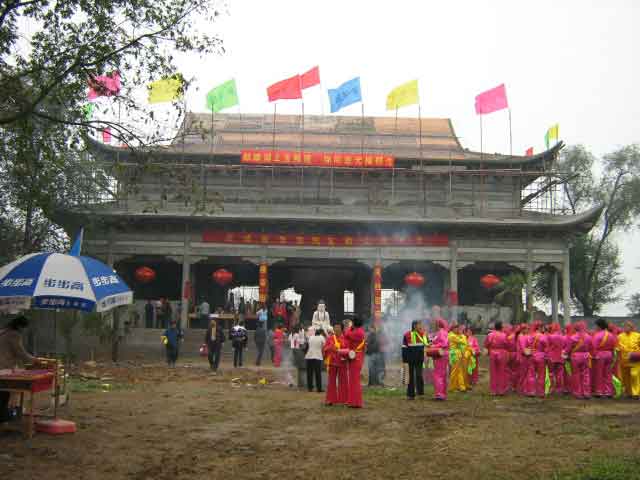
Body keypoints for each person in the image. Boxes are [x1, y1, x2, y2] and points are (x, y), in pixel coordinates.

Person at [0, 316, 40, 422]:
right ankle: (4, 418)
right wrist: (34, 360)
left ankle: (4, 416)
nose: (25, 330)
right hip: (3, 369)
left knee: (2, 393)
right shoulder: (14, 335)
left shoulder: (2, 332)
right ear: (20, 326)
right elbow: (20, 352)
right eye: (24, 327)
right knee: (4, 394)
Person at [564, 321, 592, 399]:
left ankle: (578, 393)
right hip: (586, 356)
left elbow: (568, 349)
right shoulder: (588, 337)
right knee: (586, 375)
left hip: (575, 357)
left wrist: (565, 353)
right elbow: (591, 347)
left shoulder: (573, 337)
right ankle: (586, 393)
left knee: (576, 375)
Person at [591, 317, 618, 398]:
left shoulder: (597, 335)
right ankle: (608, 391)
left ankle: (599, 391)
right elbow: (614, 346)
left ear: (599, 326)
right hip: (609, 354)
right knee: (608, 374)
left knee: (599, 374)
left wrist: (594, 356)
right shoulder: (611, 335)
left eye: (596, 326)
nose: (596, 327)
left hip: (600, 355)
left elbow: (594, 347)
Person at [402, 320, 428, 399]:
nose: (421, 326)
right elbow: (404, 348)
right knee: (411, 377)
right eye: (419, 324)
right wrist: (404, 360)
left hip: (419, 359)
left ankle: (420, 393)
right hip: (410, 359)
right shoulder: (407, 334)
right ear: (414, 326)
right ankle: (410, 394)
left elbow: (429, 343)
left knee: (419, 375)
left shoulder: (423, 334)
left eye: (421, 324)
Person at [344, 316, 366, 408]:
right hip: (355, 356)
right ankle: (353, 401)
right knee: (353, 380)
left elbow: (346, 334)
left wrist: (349, 328)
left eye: (352, 323)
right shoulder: (360, 331)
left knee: (354, 381)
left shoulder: (358, 332)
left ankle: (355, 402)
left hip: (356, 357)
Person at [324, 324, 348, 405]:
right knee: (331, 382)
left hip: (342, 362)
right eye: (335, 327)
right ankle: (331, 399)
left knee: (343, 381)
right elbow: (324, 349)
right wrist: (330, 347)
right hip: (332, 362)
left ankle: (344, 400)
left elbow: (348, 350)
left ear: (342, 329)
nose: (336, 329)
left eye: (338, 327)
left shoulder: (345, 338)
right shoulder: (330, 338)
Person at [484, 321, 509, 396]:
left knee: (493, 372)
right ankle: (501, 390)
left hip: (493, 353)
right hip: (502, 353)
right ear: (501, 327)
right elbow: (507, 344)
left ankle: (493, 390)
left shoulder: (490, 335)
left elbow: (486, 344)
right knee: (501, 372)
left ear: (494, 327)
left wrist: (488, 350)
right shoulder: (504, 335)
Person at [617, 320, 640, 399]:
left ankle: (636, 393)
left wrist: (636, 353)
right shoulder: (620, 336)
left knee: (634, 375)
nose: (626, 328)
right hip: (624, 360)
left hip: (635, 359)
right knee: (626, 378)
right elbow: (618, 348)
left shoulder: (637, 335)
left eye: (628, 326)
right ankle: (629, 393)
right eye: (625, 326)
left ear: (632, 327)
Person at [527, 322, 549, 398]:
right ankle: (540, 392)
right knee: (541, 375)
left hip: (532, 356)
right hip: (541, 357)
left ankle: (531, 391)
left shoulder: (530, 336)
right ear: (539, 327)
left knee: (531, 374)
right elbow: (546, 348)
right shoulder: (543, 336)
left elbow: (528, 345)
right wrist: (547, 357)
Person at [431, 318, 450, 400]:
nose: (432, 325)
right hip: (443, 354)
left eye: (434, 323)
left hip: (440, 355)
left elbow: (444, 343)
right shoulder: (443, 332)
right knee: (442, 374)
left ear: (438, 324)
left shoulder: (441, 332)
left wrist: (433, 346)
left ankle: (439, 394)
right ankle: (443, 393)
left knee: (438, 374)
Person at [546, 323, 566, 394]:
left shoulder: (549, 336)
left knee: (551, 373)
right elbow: (564, 347)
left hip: (551, 357)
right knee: (559, 374)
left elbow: (547, 347)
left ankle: (551, 388)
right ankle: (559, 389)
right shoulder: (563, 337)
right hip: (560, 357)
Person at [448, 323, 469, 392]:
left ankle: (461, 386)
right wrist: (462, 335)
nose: (458, 330)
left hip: (457, 354)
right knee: (454, 371)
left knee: (459, 370)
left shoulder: (454, 335)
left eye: (458, 328)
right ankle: (452, 387)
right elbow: (463, 342)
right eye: (456, 328)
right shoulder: (452, 336)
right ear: (453, 329)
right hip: (454, 355)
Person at [305, 328, 326, 392]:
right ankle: (319, 388)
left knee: (309, 373)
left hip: (309, 356)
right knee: (317, 373)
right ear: (321, 333)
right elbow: (324, 346)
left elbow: (307, 346)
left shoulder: (311, 337)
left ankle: (310, 388)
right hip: (317, 356)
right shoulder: (322, 337)